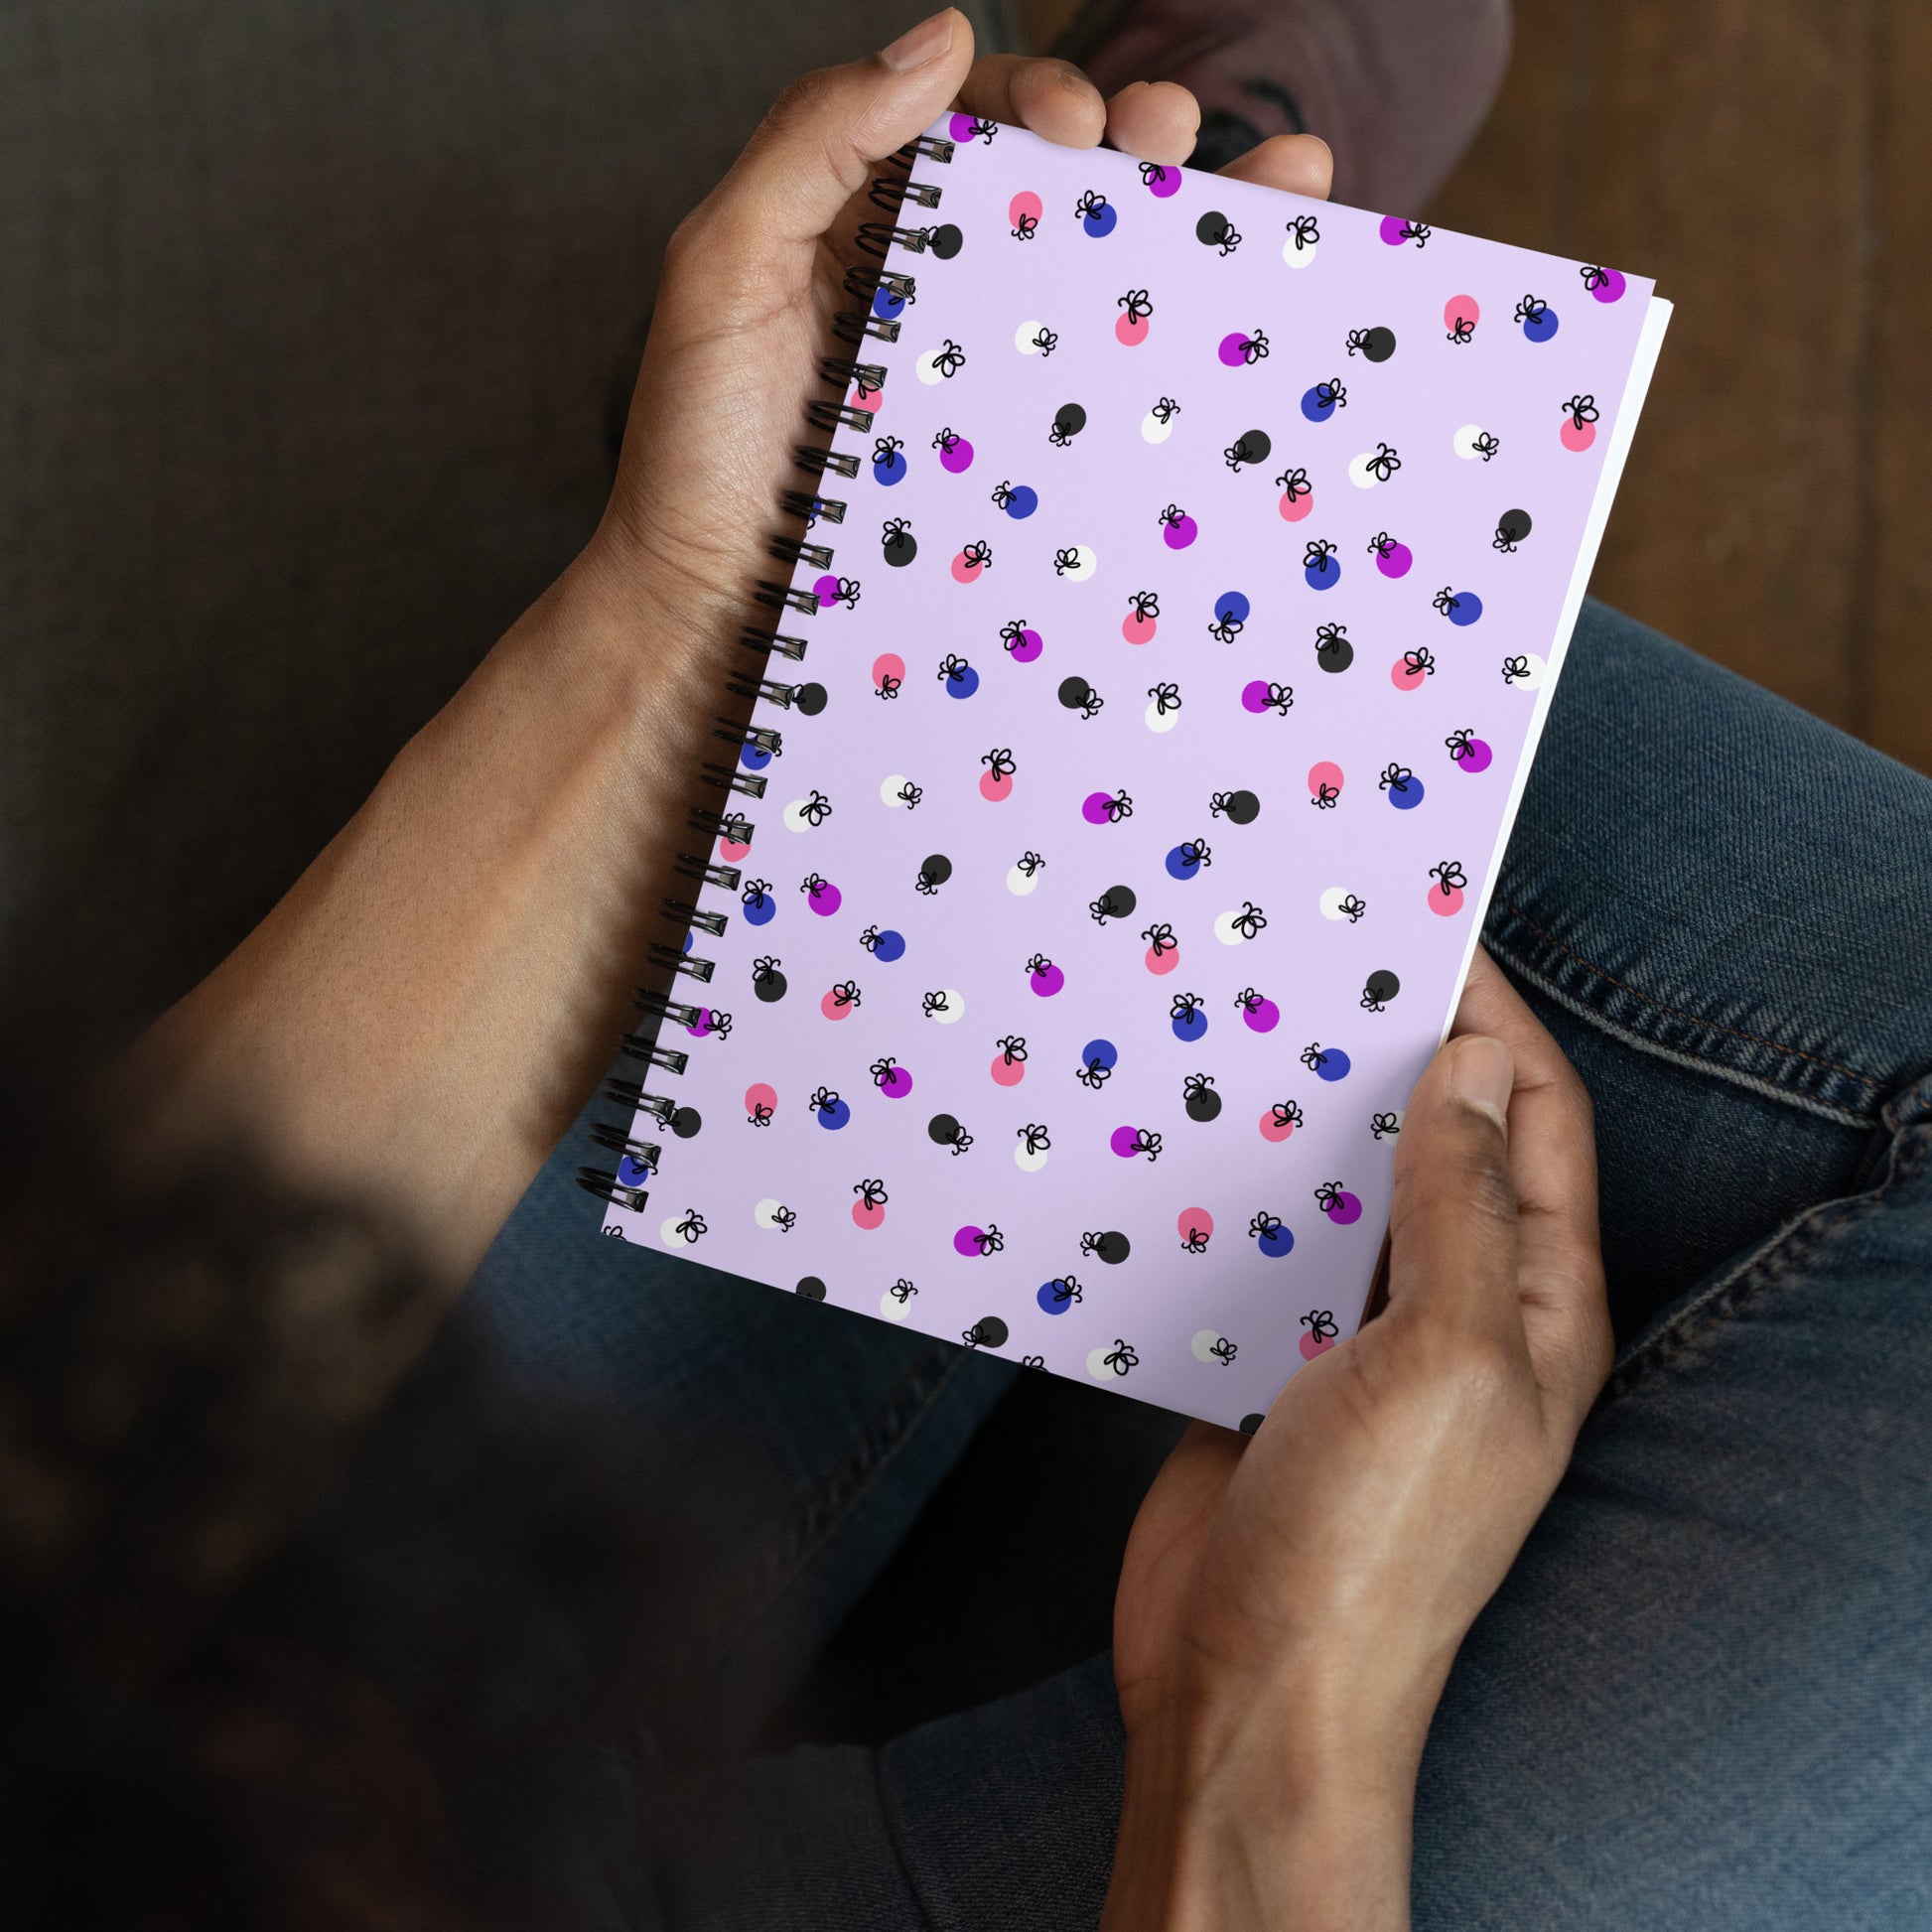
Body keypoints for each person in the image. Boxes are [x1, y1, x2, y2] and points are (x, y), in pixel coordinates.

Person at [4, 11, 1929, 1928]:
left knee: (912, 764)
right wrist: (1270, 1731)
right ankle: (1120, 342)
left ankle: (1023, 400)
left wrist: (674, 619)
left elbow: (64, 1455)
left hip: (201, 1704)